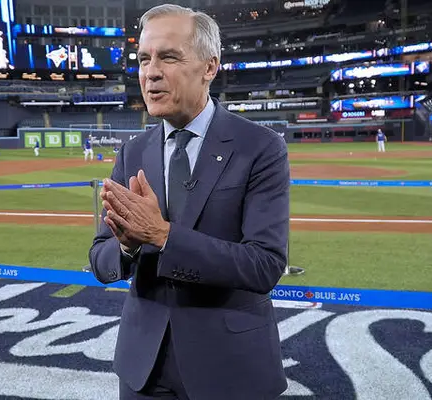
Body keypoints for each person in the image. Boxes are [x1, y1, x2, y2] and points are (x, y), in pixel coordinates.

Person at [88, 4, 289, 400]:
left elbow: (265, 265)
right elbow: (100, 259)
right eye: (143, 59)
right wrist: (127, 246)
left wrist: (162, 235)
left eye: (168, 57)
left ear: (209, 67)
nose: (151, 72)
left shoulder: (261, 148)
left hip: (228, 369)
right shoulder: (132, 152)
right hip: (142, 369)